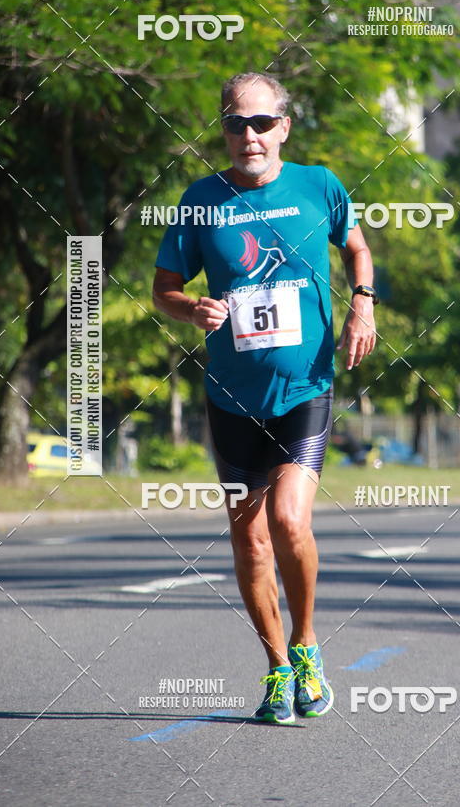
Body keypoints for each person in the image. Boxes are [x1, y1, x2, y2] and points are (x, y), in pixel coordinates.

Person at [152, 72, 377, 724]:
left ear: (284, 125)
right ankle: (278, 668)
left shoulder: (319, 186)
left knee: (288, 523)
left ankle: (306, 646)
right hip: (230, 401)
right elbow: (165, 286)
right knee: (248, 543)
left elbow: (357, 248)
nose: (247, 136)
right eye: (234, 124)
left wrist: (362, 306)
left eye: (260, 123)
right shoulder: (199, 202)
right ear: (222, 129)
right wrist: (189, 308)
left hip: (305, 389)